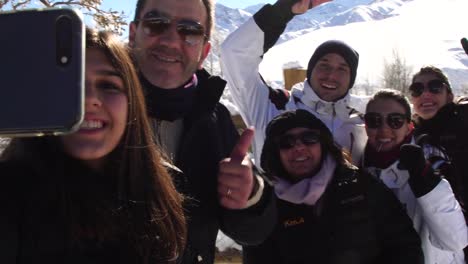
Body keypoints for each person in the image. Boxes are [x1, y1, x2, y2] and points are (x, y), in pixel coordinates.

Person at [0, 28, 186, 263]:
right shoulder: (10, 193)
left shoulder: (159, 188)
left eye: (108, 85)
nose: (89, 99)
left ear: (132, 103)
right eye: (68, 84)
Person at [128, 0, 276, 263]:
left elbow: (252, 233)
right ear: (132, 34)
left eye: (190, 30)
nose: (172, 40)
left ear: (204, 53)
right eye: (156, 23)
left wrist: (250, 195)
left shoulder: (214, 119)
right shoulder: (93, 112)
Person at [243, 109, 424, 264]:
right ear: (275, 153)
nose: (299, 147)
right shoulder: (267, 203)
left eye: (309, 138)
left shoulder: (360, 185)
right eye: (286, 142)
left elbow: (404, 246)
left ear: (324, 144)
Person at [220, 0, 367, 165]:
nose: (331, 75)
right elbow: (234, 54)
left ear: (351, 79)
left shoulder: (362, 125)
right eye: (324, 65)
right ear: (310, 71)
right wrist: (282, 11)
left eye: (342, 69)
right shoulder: (272, 107)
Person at [362, 89, 468, 263]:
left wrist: (429, 185)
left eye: (395, 121)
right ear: (365, 125)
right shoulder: (357, 168)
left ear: (409, 126)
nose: (384, 129)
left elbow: (455, 241)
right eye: (374, 121)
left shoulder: (434, 159)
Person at [409, 66, 468, 216]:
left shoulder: (463, 120)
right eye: (417, 89)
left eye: (435, 87)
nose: (426, 94)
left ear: (449, 95)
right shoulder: (409, 133)